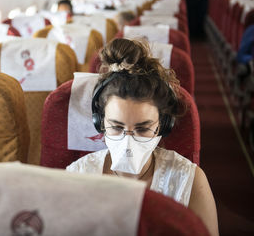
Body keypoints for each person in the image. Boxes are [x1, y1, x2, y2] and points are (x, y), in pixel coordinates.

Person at [66, 38, 219, 236]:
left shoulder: (189, 180)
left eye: (143, 128)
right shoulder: (76, 176)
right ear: (100, 123)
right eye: (117, 127)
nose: (128, 140)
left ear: (163, 125)